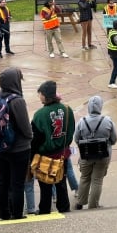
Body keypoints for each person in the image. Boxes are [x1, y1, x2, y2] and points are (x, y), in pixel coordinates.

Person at [0, 68, 33, 220]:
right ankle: (16, 214)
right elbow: (26, 128)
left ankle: (4, 213)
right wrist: (30, 138)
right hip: (19, 149)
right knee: (17, 183)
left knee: (3, 180)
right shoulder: (17, 101)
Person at [32, 81, 75, 214]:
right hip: (62, 153)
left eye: (40, 94)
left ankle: (45, 209)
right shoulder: (67, 110)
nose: (39, 97)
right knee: (61, 183)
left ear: (45, 96)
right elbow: (70, 131)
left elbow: (36, 139)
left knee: (45, 185)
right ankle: (64, 208)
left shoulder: (39, 115)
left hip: (45, 156)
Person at [73, 95, 117, 209]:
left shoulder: (82, 122)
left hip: (86, 155)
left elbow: (76, 139)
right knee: (97, 180)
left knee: (84, 177)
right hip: (103, 155)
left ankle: (80, 202)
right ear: (100, 106)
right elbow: (114, 139)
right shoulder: (107, 121)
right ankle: (93, 205)